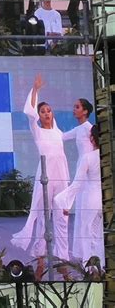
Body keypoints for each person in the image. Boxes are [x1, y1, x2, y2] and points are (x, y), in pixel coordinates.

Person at [11, 74, 70, 280]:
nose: (46, 113)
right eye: (43, 111)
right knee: (43, 218)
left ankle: (63, 262)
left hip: (61, 176)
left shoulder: (58, 132)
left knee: (62, 218)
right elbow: (29, 111)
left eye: (48, 110)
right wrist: (35, 90)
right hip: (44, 176)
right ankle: (41, 260)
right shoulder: (37, 130)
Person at [55, 125, 104, 265]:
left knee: (86, 233)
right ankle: (101, 266)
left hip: (91, 199)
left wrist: (65, 202)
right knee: (98, 235)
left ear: (92, 139)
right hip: (103, 200)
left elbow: (77, 184)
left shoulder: (87, 158)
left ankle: (88, 267)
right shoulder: (105, 158)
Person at [62, 98, 94, 260]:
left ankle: (91, 253)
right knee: (82, 212)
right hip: (83, 168)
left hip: (89, 172)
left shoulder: (89, 129)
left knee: (88, 214)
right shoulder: (79, 129)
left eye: (77, 107)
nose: (74, 110)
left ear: (85, 111)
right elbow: (62, 137)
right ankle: (84, 254)